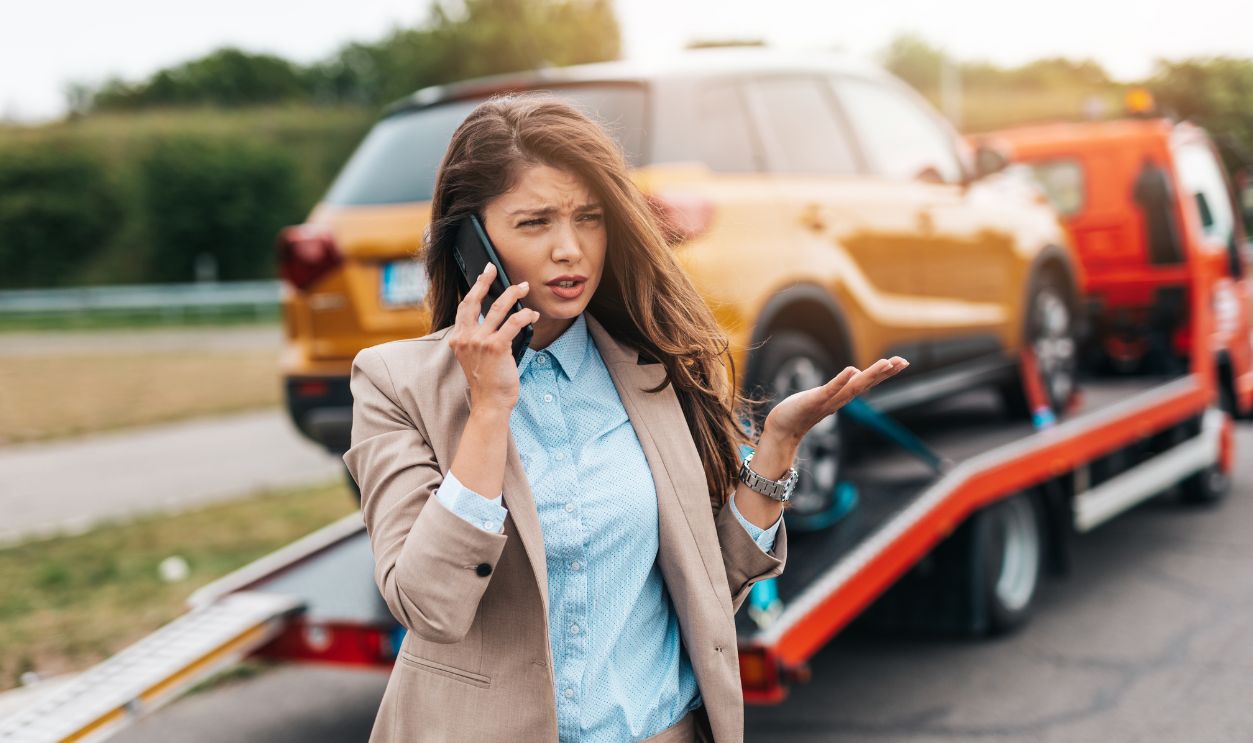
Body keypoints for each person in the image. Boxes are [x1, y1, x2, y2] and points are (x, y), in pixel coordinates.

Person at [342, 93, 907, 743]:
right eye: (534, 222)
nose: (570, 249)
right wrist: (489, 409)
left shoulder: (657, 368)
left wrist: (776, 445)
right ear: (472, 240)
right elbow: (429, 605)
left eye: (588, 217)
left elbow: (709, 585)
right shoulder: (396, 383)